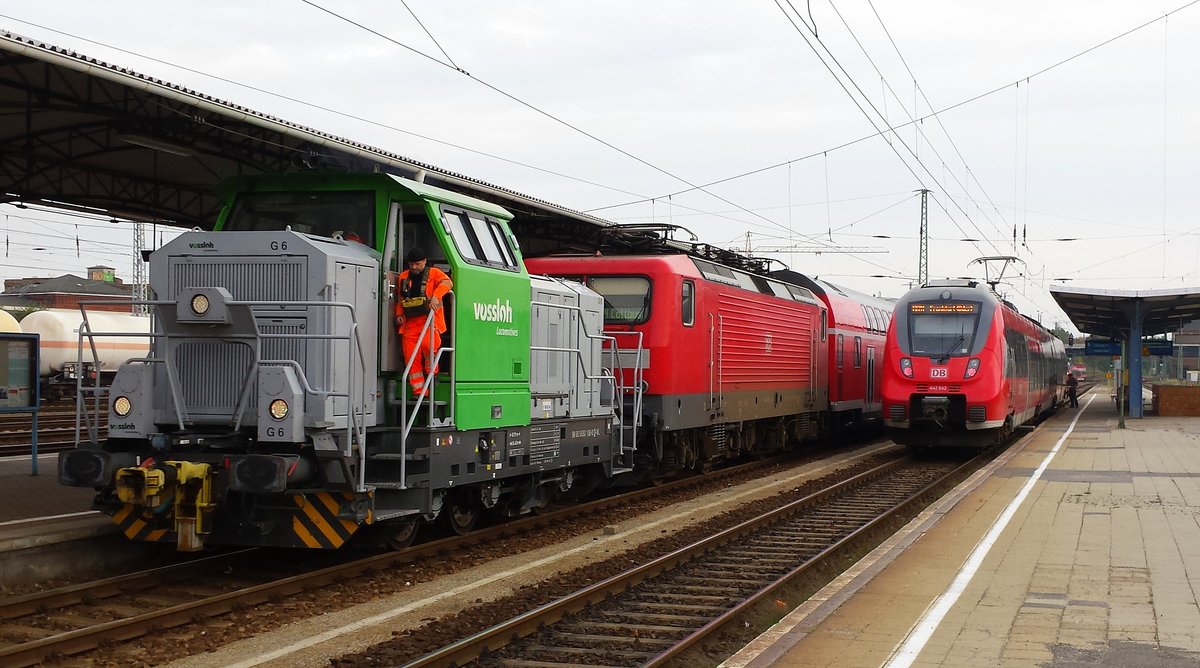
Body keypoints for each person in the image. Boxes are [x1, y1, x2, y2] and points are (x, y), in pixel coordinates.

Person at [395, 247, 452, 395]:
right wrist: (399, 314)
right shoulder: (403, 277)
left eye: (417, 264)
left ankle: (432, 374)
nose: (414, 267)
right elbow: (400, 299)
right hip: (410, 324)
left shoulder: (434, 273)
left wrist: (436, 296)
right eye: (411, 264)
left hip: (430, 321)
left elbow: (448, 283)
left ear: (425, 262)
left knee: (429, 345)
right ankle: (420, 392)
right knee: (410, 357)